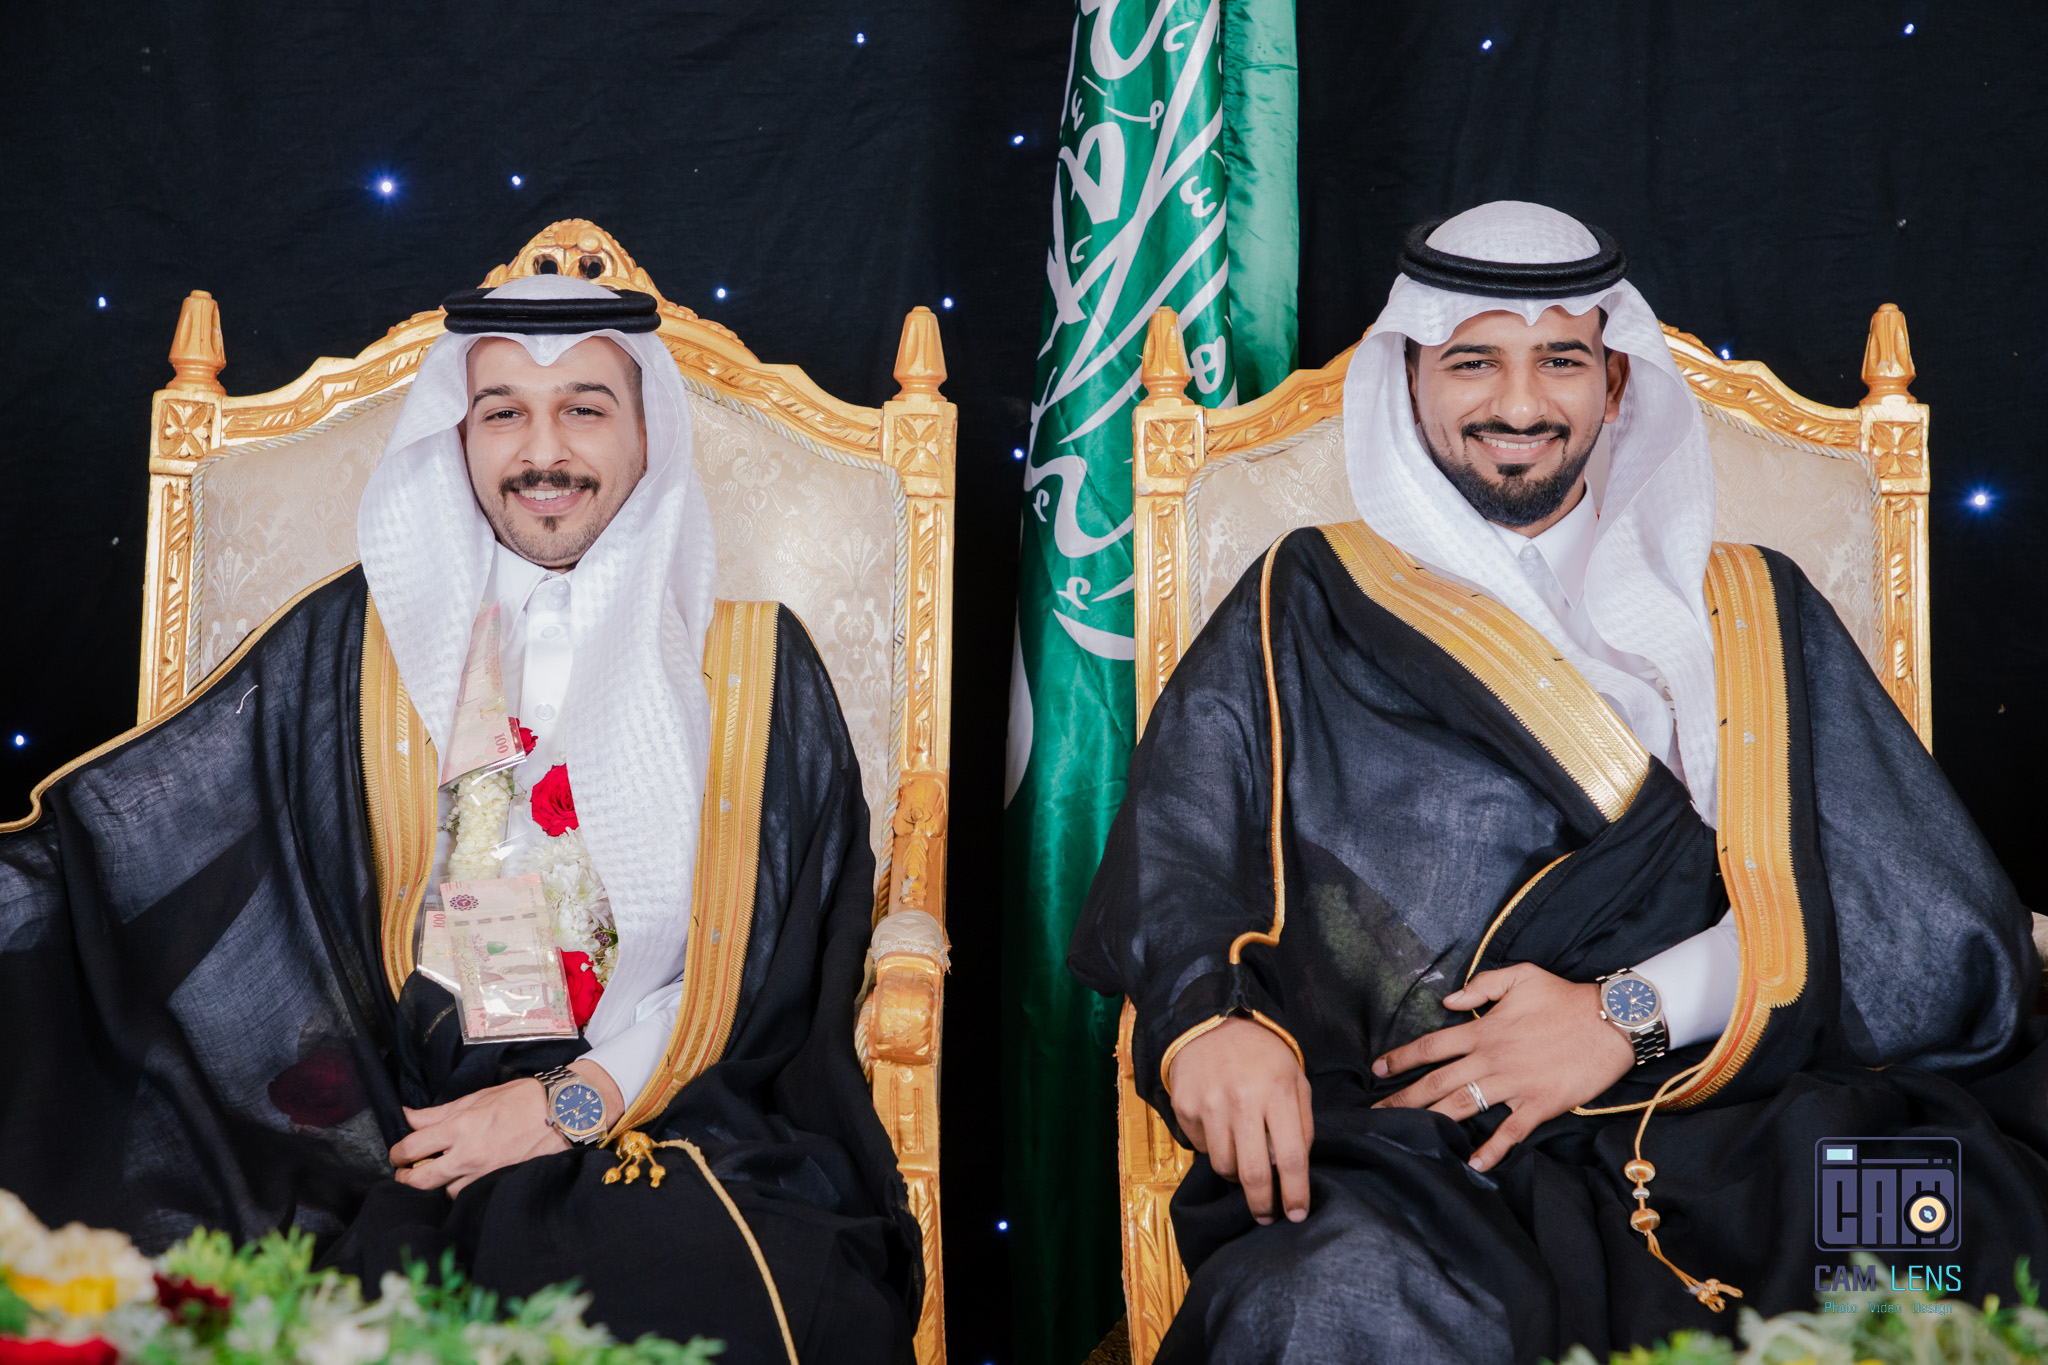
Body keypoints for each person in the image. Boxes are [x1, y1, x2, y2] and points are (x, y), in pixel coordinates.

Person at [1070, 201, 2048, 1363]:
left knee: (1950, 1235)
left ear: (1614, 382)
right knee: (1323, 1300)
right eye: (1472, 361)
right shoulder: (1308, 600)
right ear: (1408, 378)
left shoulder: (1749, 605)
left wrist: (1621, 1018)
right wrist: (1207, 1025)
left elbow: (1918, 914)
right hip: (1425, 1154)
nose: (1520, 404)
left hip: (1742, 1118)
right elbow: (1180, 851)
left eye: (1561, 361)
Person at [0, 276, 918, 1364]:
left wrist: (573, 1103)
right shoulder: (362, 642)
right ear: (461, 434)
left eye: (584, 408)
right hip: (402, 1121)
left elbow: (780, 975)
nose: (543, 451)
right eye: (503, 412)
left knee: (713, 1287)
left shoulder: (760, 671)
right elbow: (150, 839)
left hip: (677, 1112)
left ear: (647, 433)